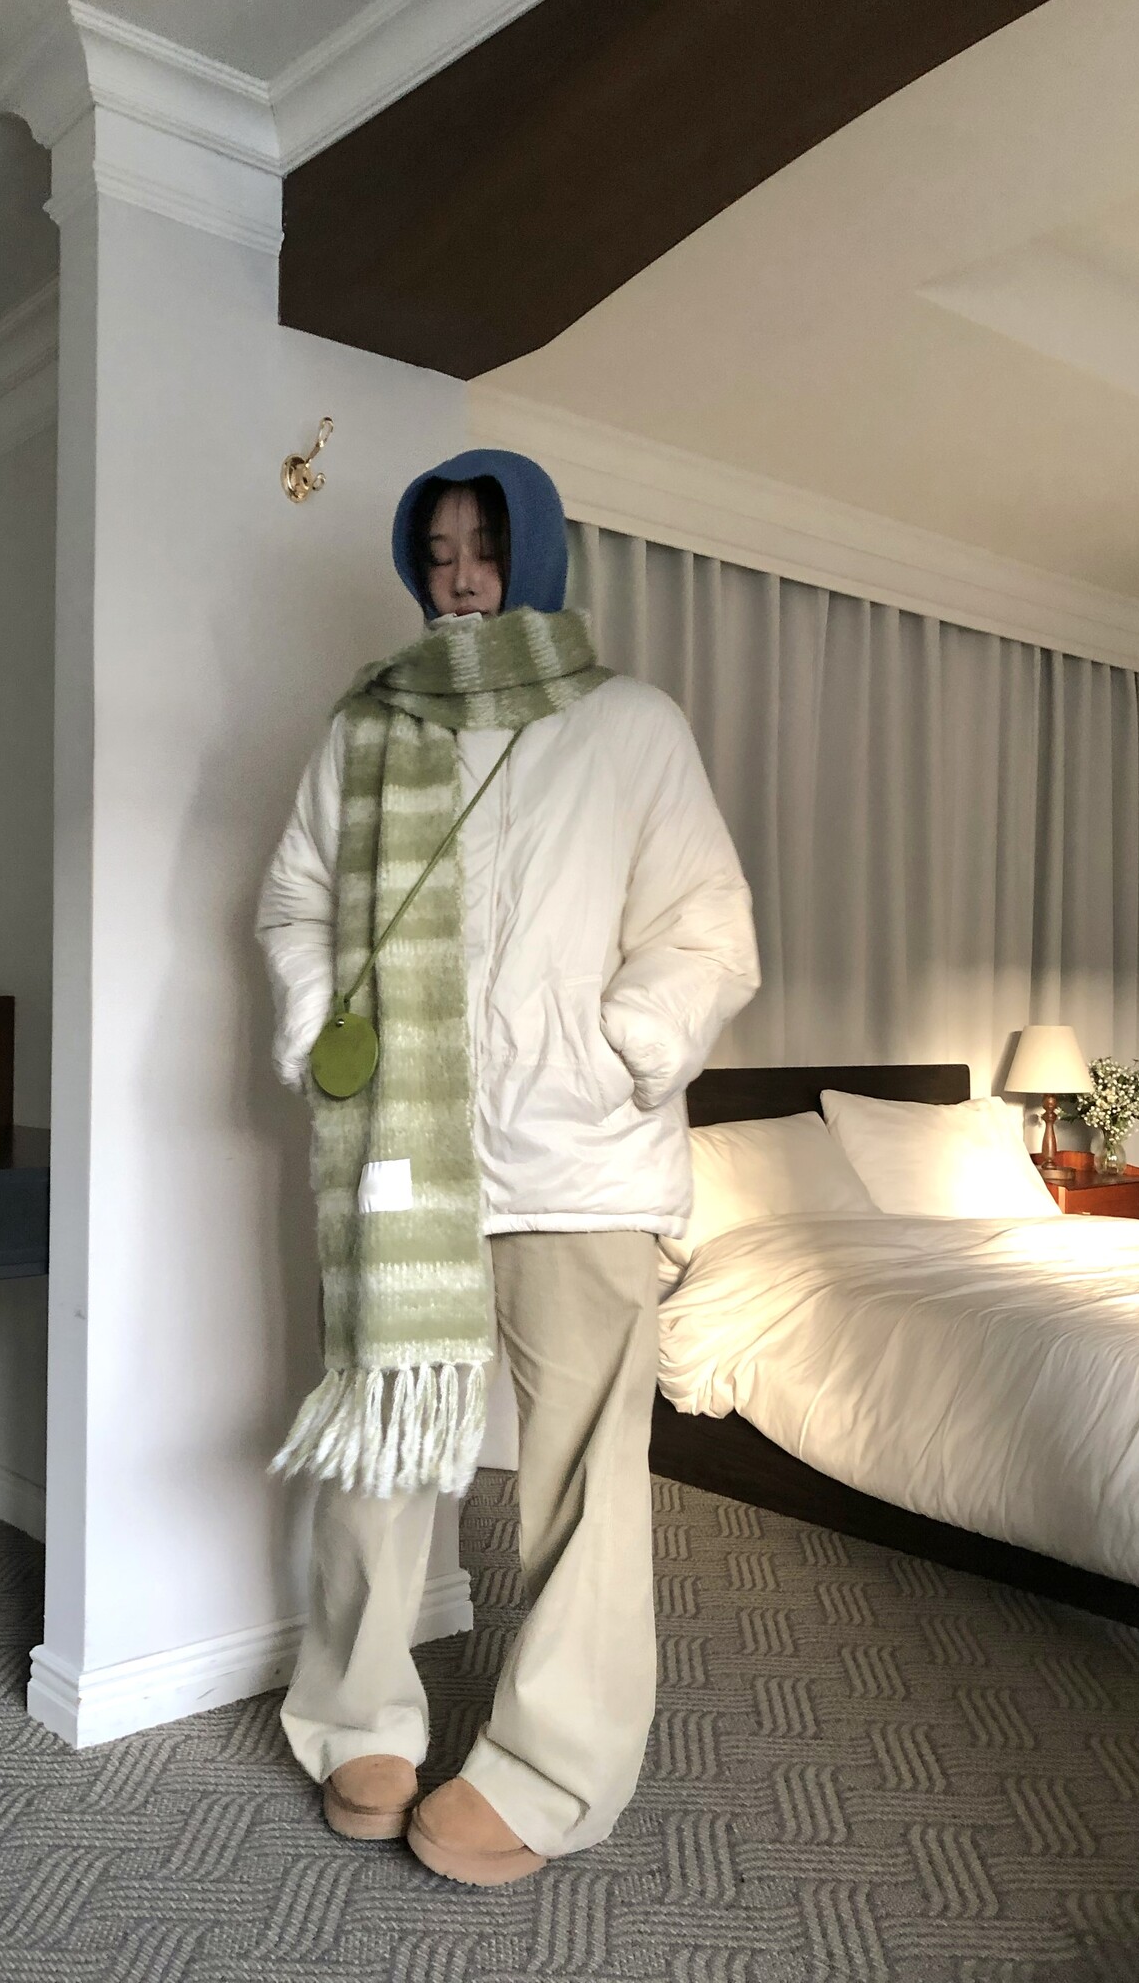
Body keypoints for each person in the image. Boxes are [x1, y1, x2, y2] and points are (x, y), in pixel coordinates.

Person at [256, 448, 759, 1886]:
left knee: (583, 1474)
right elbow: (296, 897)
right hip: (402, 1154)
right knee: (381, 1444)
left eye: (484, 548)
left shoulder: (630, 724)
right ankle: (358, 1714)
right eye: (440, 553)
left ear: (533, 554)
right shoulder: (368, 724)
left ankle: (551, 1768)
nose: (462, 578)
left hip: (580, 1159)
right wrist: (320, 1019)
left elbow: (704, 923)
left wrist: (624, 1044)